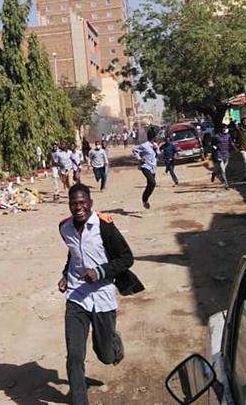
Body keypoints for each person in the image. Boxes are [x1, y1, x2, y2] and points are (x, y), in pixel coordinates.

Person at [58, 184, 143, 405]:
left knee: (106, 355)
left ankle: (114, 344)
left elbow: (127, 258)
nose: (79, 208)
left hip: (103, 297)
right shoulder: (64, 228)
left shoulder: (104, 226)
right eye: (74, 204)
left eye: (82, 202)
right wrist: (66, 275)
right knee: (75, 355)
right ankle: (79, 400)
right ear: (69, 205)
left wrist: (100, 271)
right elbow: (74, 253)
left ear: (90, 203)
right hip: (76, 296)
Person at [132, 128, 159, 209]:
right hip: (145, 166)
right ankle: (144, 199)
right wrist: (139, 158)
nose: (156, 138)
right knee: (152, 182)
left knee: (151, 185)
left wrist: (156, 149)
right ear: (153, 137)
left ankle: (146, 200)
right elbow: (134, 150)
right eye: (155, 136)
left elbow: (158, 154)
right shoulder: (144, 145)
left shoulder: (155, 145)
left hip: (153, 167)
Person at [211, 124, 232, 190]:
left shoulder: (228, 136)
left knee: (218, 167)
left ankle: (214, 173)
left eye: (226, 128)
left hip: (226, 154)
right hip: (219, 154)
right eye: (224, 128)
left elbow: (231, 144)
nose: (226, 129)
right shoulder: (216, 136)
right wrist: (215, 148)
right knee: (223, 170)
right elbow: (213, 144)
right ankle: (226, 185)